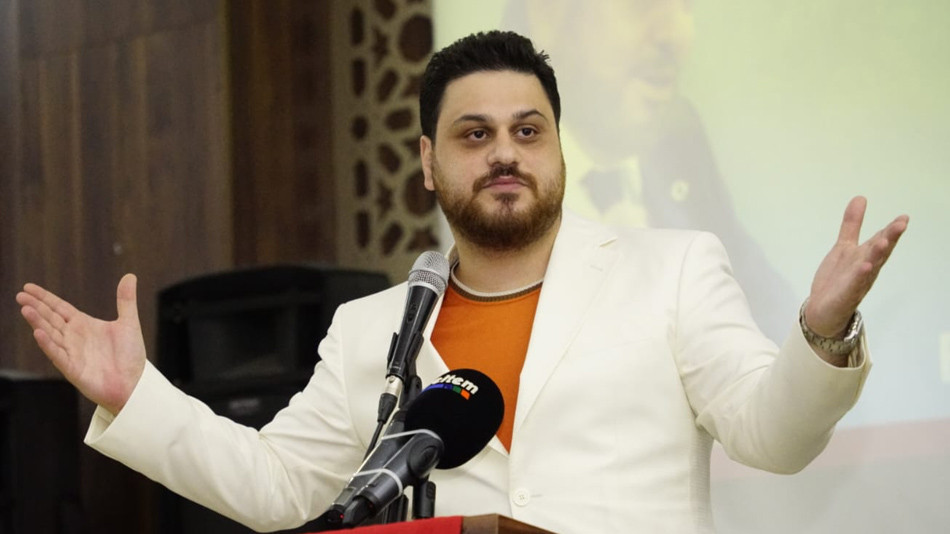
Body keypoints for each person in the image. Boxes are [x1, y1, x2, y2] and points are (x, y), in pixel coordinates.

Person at [16, 31, 908, 533]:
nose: (505, 153)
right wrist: (137, 395)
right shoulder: (372, 328)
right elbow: (279, 484)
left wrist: (821, 331)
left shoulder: (671, 269)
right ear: (428, 162)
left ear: (558, 147)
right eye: (475, 135)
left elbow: (773, 435)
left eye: (528, 130)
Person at [506, 0, 799, 341]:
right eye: (642, 5)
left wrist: (821, 331)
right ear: (546, 13)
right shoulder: (498, 182)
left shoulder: (679, 137)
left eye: (686, 7)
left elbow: (763, 302)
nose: (676, 36)